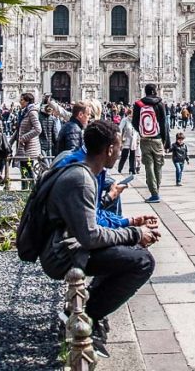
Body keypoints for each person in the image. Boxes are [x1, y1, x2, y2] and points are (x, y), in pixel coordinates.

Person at [39, 119, 160, 358]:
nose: (121, 148)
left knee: (130, 248)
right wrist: (135, 234)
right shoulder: (81, 179)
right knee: (143, 261)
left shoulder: (84, 172)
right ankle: (85, 318)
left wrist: (130, 223)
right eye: (119, 144)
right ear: (110, 149)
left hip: (68, 245)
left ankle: (90, 312)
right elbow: (91, 236)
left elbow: (91, 216)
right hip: (61, 253)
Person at [133, 84, 171, 203]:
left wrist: (142, 132)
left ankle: (154, 193)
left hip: (145, 139)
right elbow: (164, 124)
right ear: (155, 91)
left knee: (148, 166)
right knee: (158, 165)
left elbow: (134, 122)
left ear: (145, 91)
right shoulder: (160, 104)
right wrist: (166, 141)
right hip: (158, 139)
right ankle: (156, 191)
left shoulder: (139, 104)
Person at [12, 92, 43, 189]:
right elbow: (19, 130)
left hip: (29, 148)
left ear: (27, 101)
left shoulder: (32, 112)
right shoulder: (23, 112)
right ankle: (25, 192)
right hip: (23, 147)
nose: (20, 101)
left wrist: (24, 138)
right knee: (24, 170)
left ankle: (30, 193)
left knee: (28, 171)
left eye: (21, 100)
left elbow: (38, 129)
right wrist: (11, 142)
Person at [117, 107, 139, 174]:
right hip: (126, 139)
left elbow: (138, 130)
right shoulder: (125, 120)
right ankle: (120, 168)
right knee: (124, 155)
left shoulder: (136, 120)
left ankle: (132, 169)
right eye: (132, 114)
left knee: (133, 155)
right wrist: (120, 138)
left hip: (134, 140)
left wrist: (138, 139)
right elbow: (120, 128)